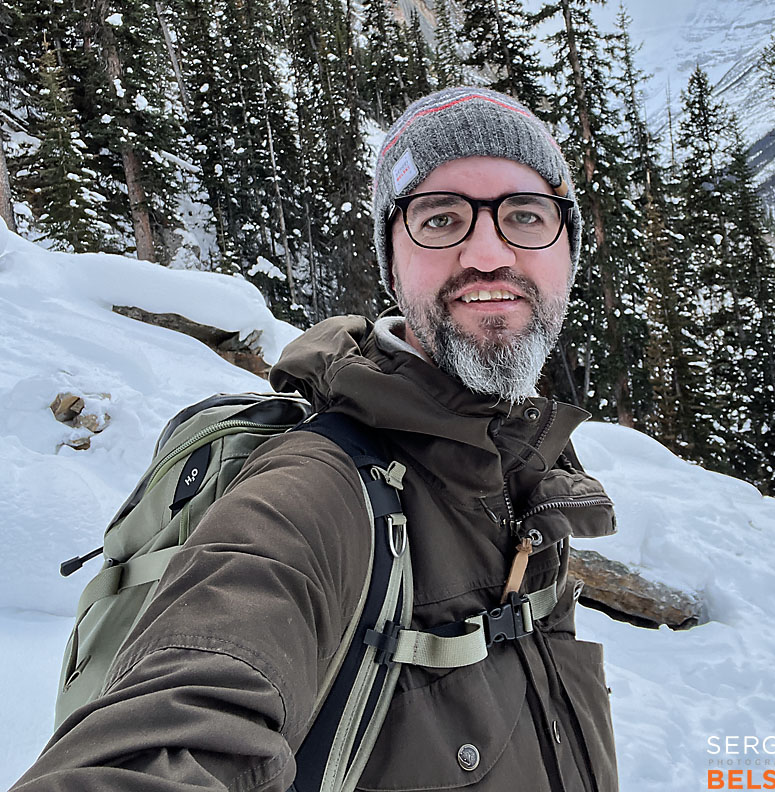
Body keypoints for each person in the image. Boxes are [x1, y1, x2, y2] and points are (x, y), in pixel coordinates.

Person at [12, 86, 618, 791]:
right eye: (441, 218)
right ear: (393, 262)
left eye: (525, 215)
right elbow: (182, 716)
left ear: (568, 249)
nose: (487, 254)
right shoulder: (314, 490)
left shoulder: (520, 464)